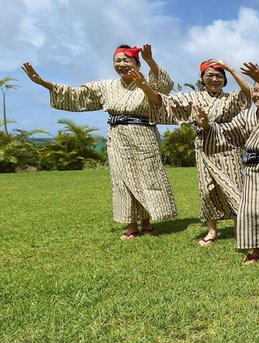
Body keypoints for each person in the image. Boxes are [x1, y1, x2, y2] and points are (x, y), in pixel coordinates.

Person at [22, 44, 177, 240]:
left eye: (126, 60)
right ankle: (131, 226)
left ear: (137, 64)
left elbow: (164, 86)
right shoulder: (106, 86)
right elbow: (78, 95)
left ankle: (147, 223)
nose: (121, 64)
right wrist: (45, 83)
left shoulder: (147, 82)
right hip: (118, 137)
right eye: (117, 61)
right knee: (122, 180)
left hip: (144, 136)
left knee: (148, 177)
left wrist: (150, 61)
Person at [133, 59, 252, 246]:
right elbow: (163, 102)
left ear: (225, 80)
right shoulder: (192, 98)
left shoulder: (231, 98)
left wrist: (230, 68)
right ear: (202, 79)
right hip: (205, 146)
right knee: (207, 190)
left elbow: (248, 92)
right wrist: (144, 86)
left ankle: (240, 227)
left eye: (219, 76)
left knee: (237, 188)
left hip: (230, 145)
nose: (215, 79)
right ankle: (212, 230)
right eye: (210, 75)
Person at [195, 63, 259, 264]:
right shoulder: (247, 115)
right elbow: (227, 131)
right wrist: (207, 124)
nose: (258, 94)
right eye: (256, 91)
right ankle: (256, 249)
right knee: (252, 209)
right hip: (253, 170)